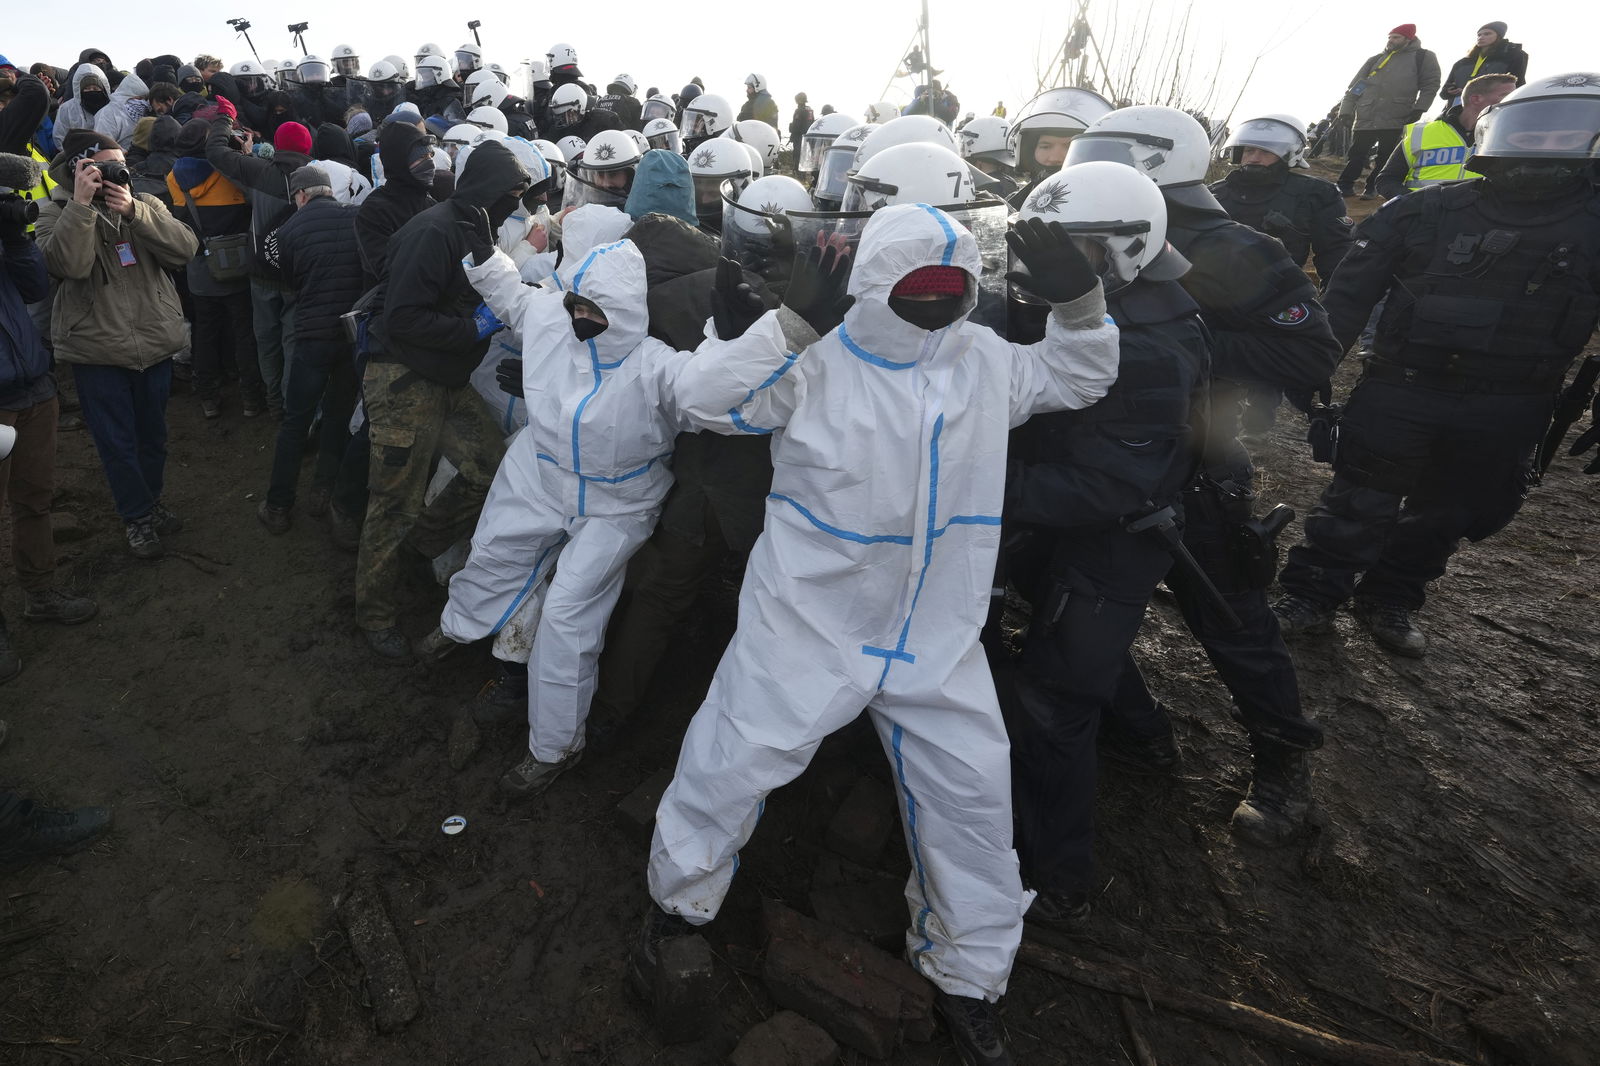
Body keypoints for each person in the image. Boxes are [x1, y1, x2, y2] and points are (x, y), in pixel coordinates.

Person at [637, 203, 1122, 1066]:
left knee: (974, 800)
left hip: (937, 639)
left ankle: (969, 976)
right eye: (915, 288)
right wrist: (786, 324)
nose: (935, 304)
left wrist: (1080, 308)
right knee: (733, 760)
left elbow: (1076, 378)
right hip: (808, 624)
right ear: (864, 284)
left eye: (952, 288)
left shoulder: (984, 362)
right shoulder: (817, 360)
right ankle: (677, 907)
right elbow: (703, 400)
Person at [1065, 106, 1339, 844]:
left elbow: (1310, 355)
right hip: (1091, 462)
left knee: (1231, 619)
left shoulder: (1230, 248)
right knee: (1071, 608)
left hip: (1192, 463)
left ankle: (1284, 765)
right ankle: (1138, 730)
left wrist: (1171, 335)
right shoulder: (1071, 222)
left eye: (1109, 152)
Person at [1274, 73, 1600, 659]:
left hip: (1513, 402)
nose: (1544, 148)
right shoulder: (1424, 210)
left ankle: (1391, 599)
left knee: (1447, 511)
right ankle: (1311, 595)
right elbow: (1348, 295)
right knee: (1359, 499)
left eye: (1564, 137)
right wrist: (1311, 362)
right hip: (1402, 385)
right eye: (1534, 135)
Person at [999, 162, 1210, 928]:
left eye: (1071, 253)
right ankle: (1147, 737)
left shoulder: (1152, 345)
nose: (1041, 271)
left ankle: (1059, 874)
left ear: (1126, 249)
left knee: (1053, 699)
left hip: (1113, 535)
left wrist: (981, 486)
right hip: (1060, 520)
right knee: (1076, 648)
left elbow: (1115, 483)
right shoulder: (1080, 304)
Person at [355, 139, 529, 659]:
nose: (516, 202)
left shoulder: (472, 226)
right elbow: (402, 317)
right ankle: (375, 614)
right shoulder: (435, 231)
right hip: (403, 378)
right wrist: (473, 326)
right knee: (394, 501)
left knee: (489, 469)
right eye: (511, 192)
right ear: (487, 189)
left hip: (445, 376)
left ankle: (418, 547)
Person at [34, 130, 198, 559]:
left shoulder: (144, 202)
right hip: (96, 349)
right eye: (103, 166)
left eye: (120, 164)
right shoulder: (54, 211)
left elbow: (185, 249)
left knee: (154, 436)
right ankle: (137, 516)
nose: (116, 174)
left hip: (154, 339)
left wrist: (137, 213)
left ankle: (151, 501)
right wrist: (81, 208)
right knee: (116, 442)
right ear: (78, 168)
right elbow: (68, 265)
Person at [1, 151, 98, 682]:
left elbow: (36, 288)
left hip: (32, 384)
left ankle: (40, 593)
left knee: (35, 500)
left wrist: (13, 236)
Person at [1210, 113, 1352, 436]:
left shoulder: (1316, 195)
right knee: (1217, 362)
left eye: (1264, 151)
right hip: (1215, 295)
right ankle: (1220, 430)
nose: (1253, 157)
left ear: (1289, 154)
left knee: (1266, 367)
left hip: (1277, 297)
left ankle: (1258, 424)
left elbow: (1337, 257)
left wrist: (1328, 310)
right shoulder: (1217, 192)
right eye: (1248, 150)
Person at [258, 166, 363, 533]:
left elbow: (291, 279)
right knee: (337, 414)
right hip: (350, 338)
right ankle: (323, 489)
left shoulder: (288, 230)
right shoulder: (356, 218)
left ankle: (278, 505)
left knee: (295, 422)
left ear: (300, 195)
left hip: (312, 337)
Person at [206, 102, 312, 418]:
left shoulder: (257, 171)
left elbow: (214, 152)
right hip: (298, 278)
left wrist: (225, 119)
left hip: (261, 274)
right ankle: (295, 408)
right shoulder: (320, 176)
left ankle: (275, 405)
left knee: (266, 340)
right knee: (293, 343)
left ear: (277, 145)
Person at [166, 117, 264, 419]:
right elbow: (254, 196)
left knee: (205, 332)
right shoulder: (227, 173)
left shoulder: (174, 177)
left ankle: (207, 396)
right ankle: (251, 398)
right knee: (244, 332)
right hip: (236, 265)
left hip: (199, 266)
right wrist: (243, 155)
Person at [1334, 25, 1441, 199]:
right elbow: (1355, 88)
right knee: (1356, 154)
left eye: (1396, 37)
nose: (1391, 41)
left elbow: (1431, 85)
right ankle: (1344, 186)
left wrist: (1420, 108)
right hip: (1366, 115)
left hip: (1397, 115)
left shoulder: (1423, 57)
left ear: (1409, 39)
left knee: (1386, 156)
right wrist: (1345, 111)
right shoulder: (1375, 59)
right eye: (1390, 37)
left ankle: (1372, 188)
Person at [1373, 73, 1517, 199]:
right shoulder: (1422, 132)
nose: (1514, 100)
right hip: (1424, 219)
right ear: (1476, 99)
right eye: (1506, 96)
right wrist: (1414, 203)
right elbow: (1386, 180)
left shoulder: (1511, 138)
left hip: (1481, 221)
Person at [1439, 22, 1528, 107]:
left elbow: (1517, 86)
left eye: (1487, 34)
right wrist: (1450, 90)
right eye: (1479, 35)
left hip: (1493, 109)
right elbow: (1443, 93)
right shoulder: (1461, 63)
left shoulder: (1515, 55)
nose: (1481, 37)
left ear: (1499, 36)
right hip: (1456, 111)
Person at [788, 92, 814, 163]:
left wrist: (791, 129)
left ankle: (797, 172)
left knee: (797, 156)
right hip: (808, 137)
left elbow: (796, 126)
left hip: (799, 137)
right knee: (805, 156)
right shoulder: (810, 110)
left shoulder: (799, 110)